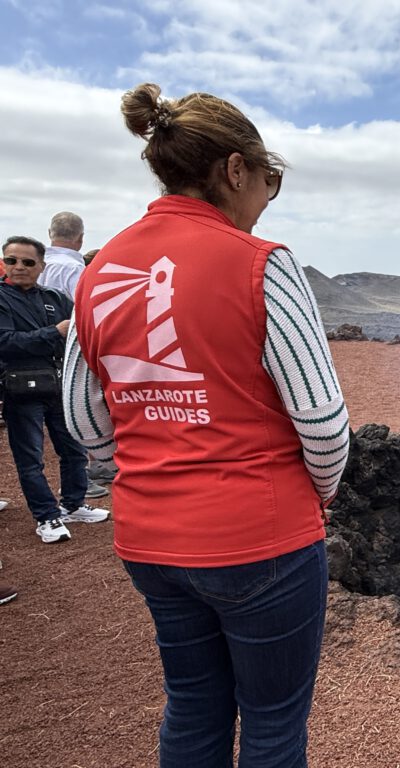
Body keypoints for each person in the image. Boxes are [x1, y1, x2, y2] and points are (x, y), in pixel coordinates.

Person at [63, 82, 351, 768]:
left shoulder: (99, 271)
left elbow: (81, 417)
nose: (266, 201)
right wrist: (324, 494)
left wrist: (146, 462)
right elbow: (322, 421)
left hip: (151, 541)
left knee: (193, 703)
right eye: (268, 181)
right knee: (274, 721)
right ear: (234, 169)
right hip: (262, 536)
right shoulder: (261, 264)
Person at [0, 236, 109, 544]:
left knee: (73, 448)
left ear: (41, 267)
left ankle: (73, 503)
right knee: (30, 456)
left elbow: (82, 326)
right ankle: (46, 516)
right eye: (11, 260)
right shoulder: (1, 298)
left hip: (57, 385)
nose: (19, 267)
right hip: (20, 390)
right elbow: (5, 342)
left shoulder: (53, 297)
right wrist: (53, 333)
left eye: (28, 262)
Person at [39, 212, 87, 299]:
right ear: (81, 237)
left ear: (49, 233)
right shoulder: (75, 269)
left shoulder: (32, 263)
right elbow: (81, 304)